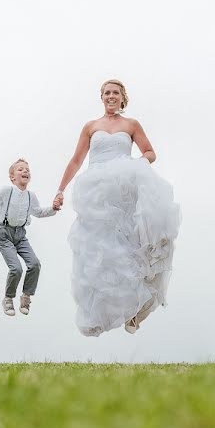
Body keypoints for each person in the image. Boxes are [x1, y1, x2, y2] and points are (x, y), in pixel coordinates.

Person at [54, 80, 181, 336]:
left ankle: (136, 307)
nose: (111, 96)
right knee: (99, 254)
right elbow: (77, 160)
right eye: (107, 93)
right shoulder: (91, 127)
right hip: (97, 194)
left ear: (123, 98)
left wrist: (131, 166)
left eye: (115, 93)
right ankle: (102, 311)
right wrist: (60, 190)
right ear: (101, 97)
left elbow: (150, 152)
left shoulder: (131, 125)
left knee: (130, 248)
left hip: (123, 191)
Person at [0, 159, 60, 317]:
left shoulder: (30, 196)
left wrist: (53, 209)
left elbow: (39, 212)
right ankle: (8, 298)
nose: (25, 171)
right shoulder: (7, 191)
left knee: (35, 264)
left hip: (21, 236)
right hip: (5, 234)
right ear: (12, 177)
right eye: (20, 169)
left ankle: (26, 296)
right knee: (16, 269)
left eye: (27, 169)